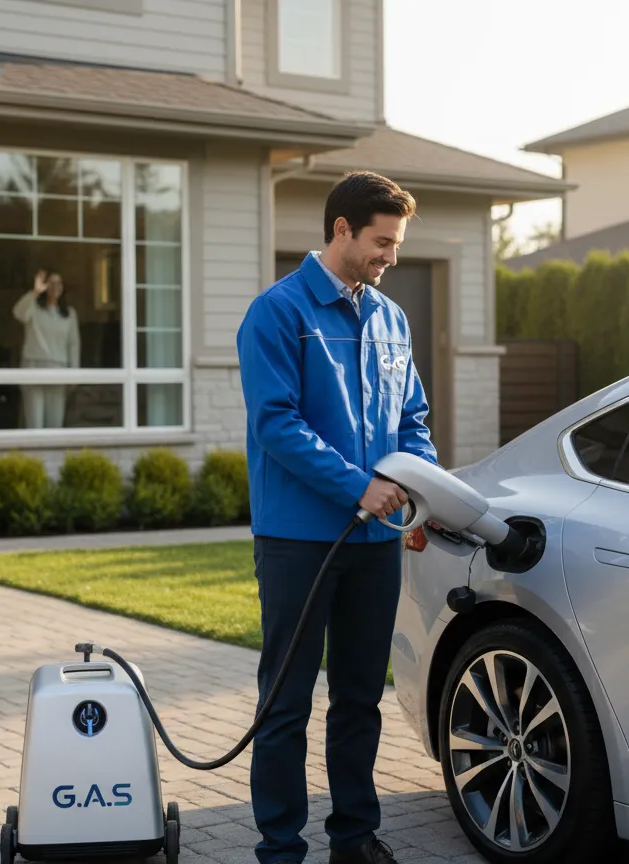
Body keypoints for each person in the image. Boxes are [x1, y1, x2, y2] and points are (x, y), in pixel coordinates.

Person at [235, 170, 437, 864]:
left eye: (398, 244)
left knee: (360, 699)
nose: (391, 257)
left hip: (374, 542)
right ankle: (281, 850)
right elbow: (276, 424)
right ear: (341, 229)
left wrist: (414, 489)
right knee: (286, 704)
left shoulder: (391, 318)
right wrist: (359, 486)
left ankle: (354, 838)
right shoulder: (277, 312)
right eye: (382, 242)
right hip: (297, 541)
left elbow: (412, 419)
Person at [12, 269, 80, 428]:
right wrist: (34, 292)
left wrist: (74, 373)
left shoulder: (69, 314)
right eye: (51, 283)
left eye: (59, 283)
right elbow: (18, 313)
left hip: (58, 369)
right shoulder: (34, 308)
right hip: (33, 366)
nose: (55, 287)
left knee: (54, 424)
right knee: (34, 424)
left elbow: (73, 344)